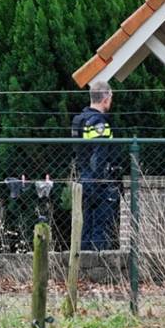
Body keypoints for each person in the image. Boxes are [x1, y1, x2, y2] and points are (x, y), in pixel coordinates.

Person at [71, 81, 121, 251]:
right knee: (101, 227)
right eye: (111, 97)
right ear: (106, 98)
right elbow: (99, 155)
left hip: (83, 178)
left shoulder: (79, 120)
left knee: (85, 226)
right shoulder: (99, 123)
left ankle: (83, 262)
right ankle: (97, 263)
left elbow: (80, 153)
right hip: (99, 181)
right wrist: (100, 180)